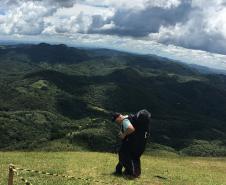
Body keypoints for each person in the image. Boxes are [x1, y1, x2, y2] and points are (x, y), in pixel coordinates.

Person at [111, 112, 139, 177]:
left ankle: (130, 172)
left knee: (123, 155)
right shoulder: (126, 119)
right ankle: (119, 171)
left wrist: (124, 135)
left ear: (119, 117)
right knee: (123, 154)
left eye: (116, 120)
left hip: (129, 141)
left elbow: (131, 129)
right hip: (131, 141)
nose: (116, 122)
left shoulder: (125, 121)